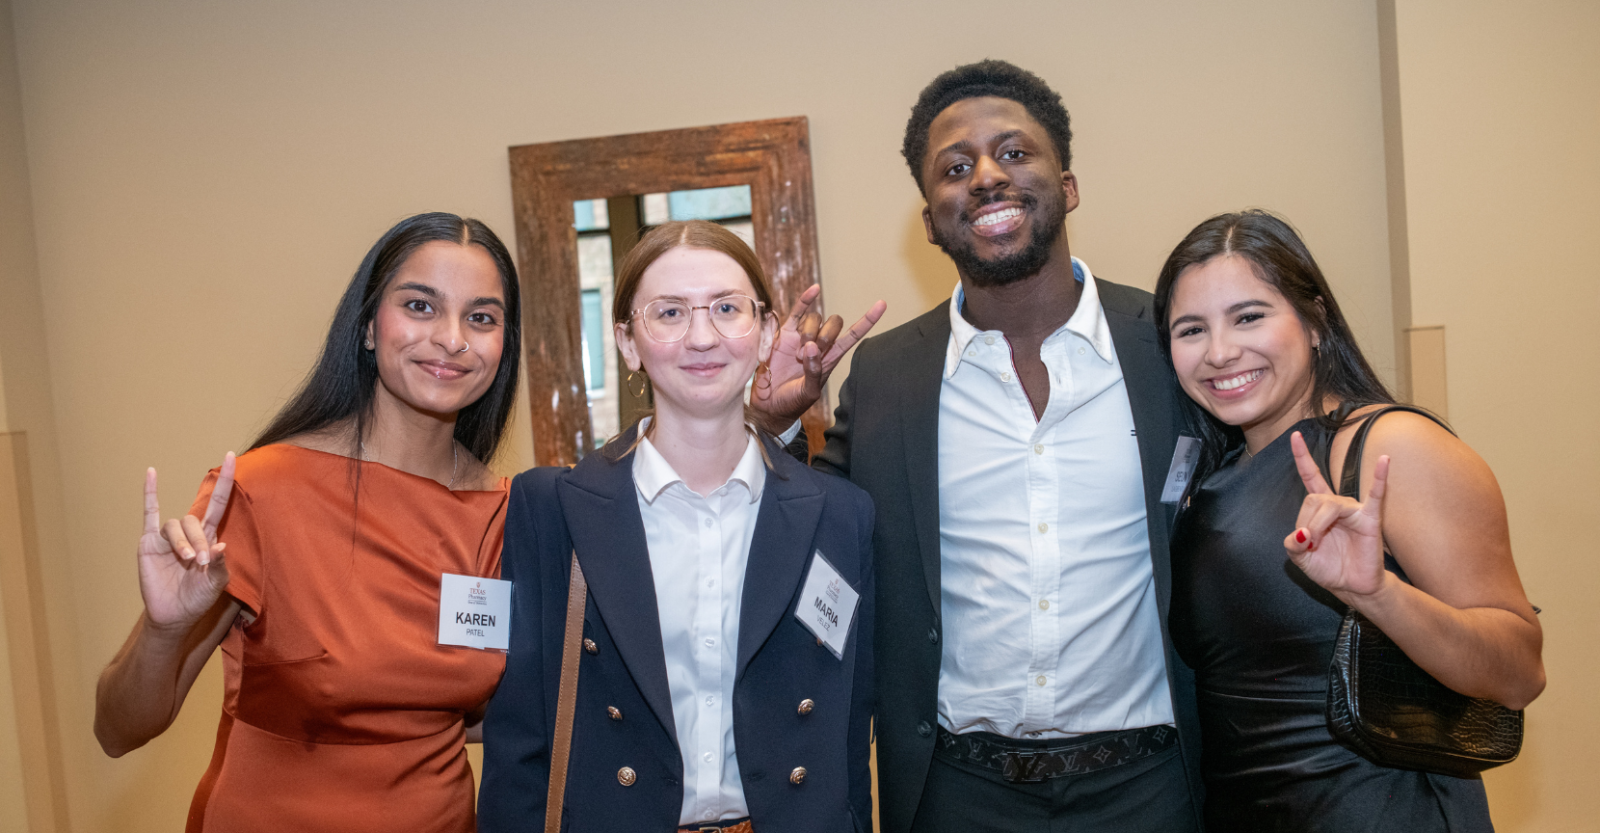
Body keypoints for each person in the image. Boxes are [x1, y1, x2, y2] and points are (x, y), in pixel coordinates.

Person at [753, 60, 1205, 832]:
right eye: (956, 167)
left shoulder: (1170, 343)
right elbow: (815, 541)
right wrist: (777, 426)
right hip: (958, 792)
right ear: (930, 218)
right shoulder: (890, 375)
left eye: (1016, 153)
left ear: (1067, 185)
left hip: (1153, 787)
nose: (987, 177)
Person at [93, 212, 523, 833]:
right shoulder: (261, 492)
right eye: (421, 306)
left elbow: (473, 705)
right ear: (370, 327)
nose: (453, 338)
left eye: (481, 317)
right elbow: (116, 730)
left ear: (502, 344)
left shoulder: (508, 512)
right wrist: (164, 632)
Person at [479, 220, 877, 833]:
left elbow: (848, 741)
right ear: (628, 341)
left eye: (726, 308)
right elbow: (520, 743)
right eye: (668, 312)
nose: (701, 336)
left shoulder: (841, 514)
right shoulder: (552, 507)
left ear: (766, 331)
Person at [1154, 209, 1545, 832]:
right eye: (1191, 329)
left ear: (1315, 321)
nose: (1221, 351)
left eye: (1250, 316)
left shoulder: (1388, 447)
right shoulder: (1211, 482)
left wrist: (1380, 595)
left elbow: (1518, 673)